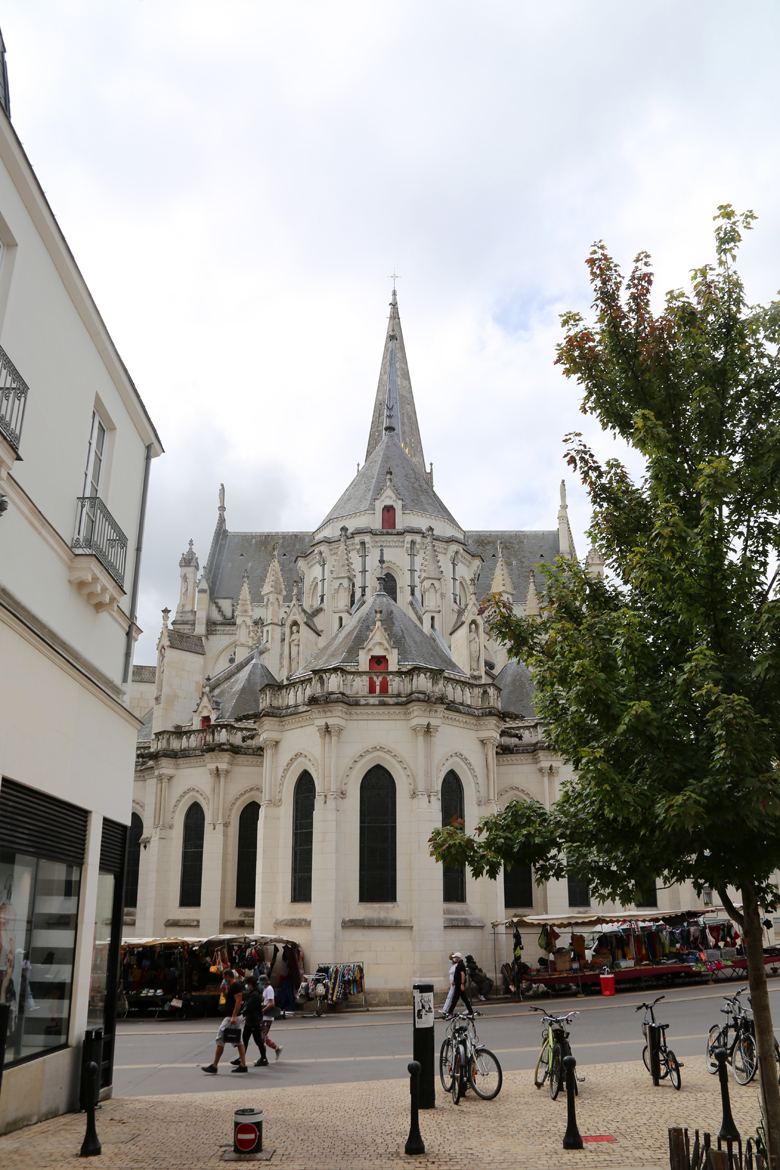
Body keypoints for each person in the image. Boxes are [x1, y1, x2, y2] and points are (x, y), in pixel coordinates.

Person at [201, 969, 248, 1074]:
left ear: (227, 976)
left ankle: (214, 1065)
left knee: (220, 1037)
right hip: (233, 1016)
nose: (223, 980)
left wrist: (234, 1016)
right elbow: (230, 1000)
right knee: (239, 1040)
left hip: (232, 1017)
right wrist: (223, 991)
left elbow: (238, 1001)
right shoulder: (231, 987)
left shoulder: (235, 986)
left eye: (223, 977)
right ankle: (243, 1064)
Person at [231, 975, 268, 1068]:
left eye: (246, 984)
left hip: (253, 1021)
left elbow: (249, 1007)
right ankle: (242, 1058)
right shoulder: (254, 993)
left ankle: (263, 1058)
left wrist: (242, 1014)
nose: (246, 986)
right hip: (251, 1020)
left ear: (250, 984)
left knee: (256, 1040)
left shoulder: (254, 995)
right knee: (246, 1040)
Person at [259, 974, 283, 1061]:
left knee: (261, 1038)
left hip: (267, 1017)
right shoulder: (266, 989)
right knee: (263, 1037)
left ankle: (263, 1057)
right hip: (265, 1017)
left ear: (264, 983)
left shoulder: (269, 989)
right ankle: (277, 1048)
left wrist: (263, 1010)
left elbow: (272, 1003)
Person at [447, 952, 474, 1017]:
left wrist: (462, 984)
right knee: (464, 998)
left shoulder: (461, 965)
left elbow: (462, 974)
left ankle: (450, 1011)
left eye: (455, 957)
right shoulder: (459, 964)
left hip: (459, 984)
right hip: (458, 983)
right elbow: (457, 974)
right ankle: (470, 1011)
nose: (454, 959)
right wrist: (454, 981)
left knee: (455, 998)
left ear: (457, 957)